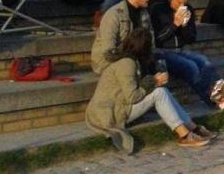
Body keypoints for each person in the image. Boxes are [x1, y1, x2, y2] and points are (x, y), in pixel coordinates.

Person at [86, 28, 214, 154]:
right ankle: (184, 135)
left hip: (116, 107)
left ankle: (193, 127)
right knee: (160, 93)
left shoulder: (129, 60)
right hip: (111, 114)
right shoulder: (127, 64)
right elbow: (132, 97)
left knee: (161, 91)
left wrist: (153, 81)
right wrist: (153, 82)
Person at [149, 0, 224, 111]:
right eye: (179, 2)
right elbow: (158, 39)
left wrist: (185, 26)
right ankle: (212, 99)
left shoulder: (188, 9)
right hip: (164, 52)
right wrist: (175, 24)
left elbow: (191, 39)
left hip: (183, 50)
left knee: (205, 62)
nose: (182, 5)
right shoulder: (158, 9)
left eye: (185, 2)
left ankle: (218, 93)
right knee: (191, 66)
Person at [92, 0, 156, 75]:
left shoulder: (144, 13)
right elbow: (109, 52)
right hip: (110, 61)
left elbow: (150, 40)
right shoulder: (114, 15)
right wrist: (133, 61)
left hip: (133, 56)